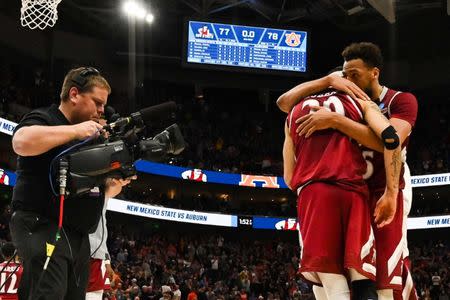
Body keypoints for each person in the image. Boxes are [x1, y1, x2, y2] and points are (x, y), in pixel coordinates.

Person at [278, 42, 418, 300]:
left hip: (381, 189)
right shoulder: (349, 99)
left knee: (383, 279)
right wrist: (327, 81)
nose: (348, 80)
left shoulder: (399, 100)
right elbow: (283, 102)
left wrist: (335, 121)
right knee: (345, 275)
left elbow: (390, 141)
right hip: (352, 189)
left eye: (354, 75)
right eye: (344, 75)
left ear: (374, 73)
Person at [9, 67, 133, 299]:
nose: (101, 110)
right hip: (41, 224)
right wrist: (75, 130)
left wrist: (117, 182)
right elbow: (21, 142)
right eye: (97, 102)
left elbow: (100, 191)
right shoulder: (46, 118)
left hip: (77, 236)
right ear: (74, 94)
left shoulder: (89, 137)